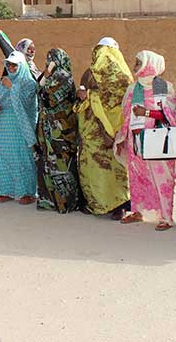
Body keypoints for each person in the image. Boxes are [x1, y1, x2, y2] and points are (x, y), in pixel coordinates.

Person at [115, 51, 176, 231]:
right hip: (136, 139)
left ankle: (166, 217)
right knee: (137, 177)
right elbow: (126, 112)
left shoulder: (163, 87)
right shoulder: (133, 88)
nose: (135, 65)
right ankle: (137, 211)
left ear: (149, 64)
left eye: (139, 62)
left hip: (158, 140)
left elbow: (169, 115)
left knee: (162, 178)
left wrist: (147, 113)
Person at [76, 38, 133, 219]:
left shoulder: (121, 74)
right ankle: (99, 204)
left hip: (111, 130)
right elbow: (82, 98)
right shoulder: (90, 73)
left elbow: (122, 101)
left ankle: (120, 205)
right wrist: (83, 97)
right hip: (93, 130)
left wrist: (90, 95)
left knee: (115, 165)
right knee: (96, 168)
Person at [34, 48, 81, 213]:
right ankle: (50, 200)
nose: (49, 61)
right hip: (47, 129)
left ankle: (66, 202)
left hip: (61, 131)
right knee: (48, 163)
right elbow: (36, 91)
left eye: (52, 59)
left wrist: (45, 80)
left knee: (62, 164)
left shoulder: (64, 77)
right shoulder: (48, 76)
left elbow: (49, 99)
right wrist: (45, 77)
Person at [0, 51, 38, 205]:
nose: (10, 68)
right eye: (9, 64)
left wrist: (12, 87)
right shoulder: (4, 81)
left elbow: (26, 104)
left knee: (22, 158)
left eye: (14, 65)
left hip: (21, 126)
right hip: (5, 124)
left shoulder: (29, 83)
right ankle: (7, 190)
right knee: (5, 156)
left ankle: (28, 192)